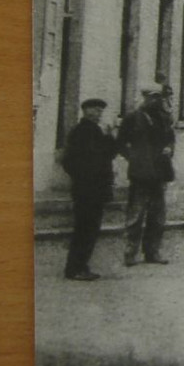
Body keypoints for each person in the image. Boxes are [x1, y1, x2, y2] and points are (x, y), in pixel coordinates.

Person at [117, 84, 175, 266]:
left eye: (159, 97)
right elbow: (120, 143)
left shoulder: (164, 118)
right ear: (145, 98)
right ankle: (130, 253)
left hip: (159, 173)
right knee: (135, 216)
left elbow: (171, 139)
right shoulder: (133, 118)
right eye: (152, 97)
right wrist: (133, 158)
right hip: (141, 174)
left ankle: (152, 252)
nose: (156, 101)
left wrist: (169, 149)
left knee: (157, 217)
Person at [61, 97, 115, 281]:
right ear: (86, 111)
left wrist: (109, 136)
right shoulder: (81, 132)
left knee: (89, 229)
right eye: (96, 110)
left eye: (101, 110)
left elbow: (109, 154)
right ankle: (75, 269)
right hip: (87, 189)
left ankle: (80, 266)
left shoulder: (97, 131)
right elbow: (69, 161)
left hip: (95, 188)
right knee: (85, 229)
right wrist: (84, 177)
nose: (99, 113)